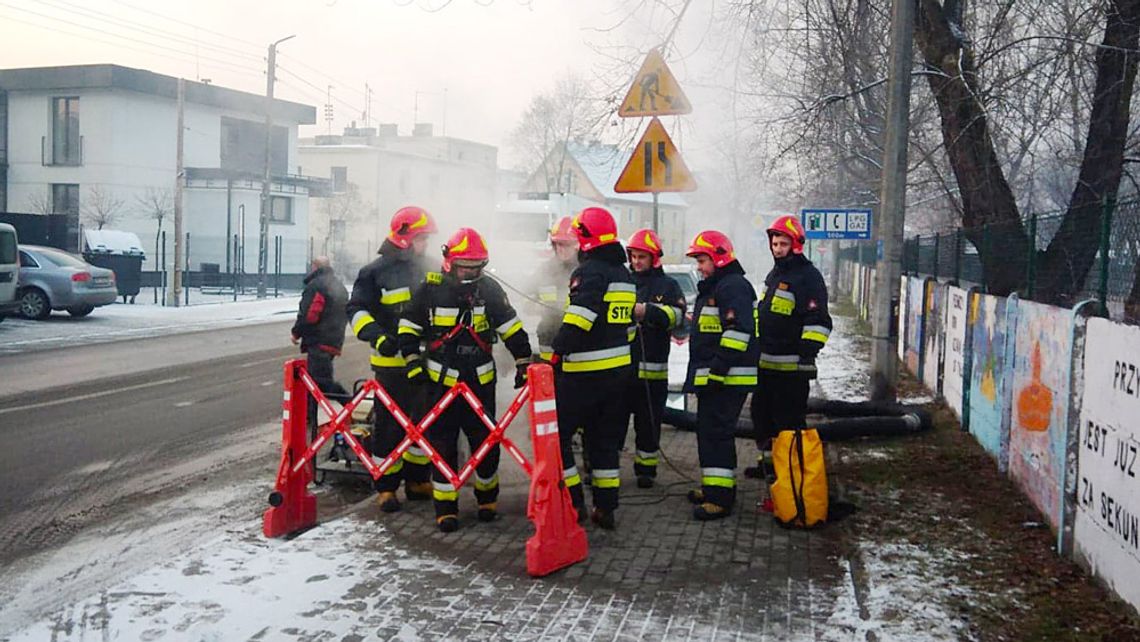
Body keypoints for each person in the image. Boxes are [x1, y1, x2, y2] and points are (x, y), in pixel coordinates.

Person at [397, 228, 533, 533]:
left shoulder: (491, 290)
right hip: (440, 383)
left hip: (480, 381)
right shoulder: (430, 289)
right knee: (442, 444)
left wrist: (523, 359)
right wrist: (412, 362)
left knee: (486, 443)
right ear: (449, 262)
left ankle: (487, 499)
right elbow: (408, 326)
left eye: (476, 268)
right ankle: (446, 509)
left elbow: (510, 327)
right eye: (464, 267)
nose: (470, 274)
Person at [346, 206, 437, 512]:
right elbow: (356, 311)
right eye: (422, 238)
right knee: (389, 426)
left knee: (423, 423)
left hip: (424, 362)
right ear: (404, 238)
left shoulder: (431, 267)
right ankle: (386, 486)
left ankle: (417, 480)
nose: (426, 244)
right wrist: (378, 337)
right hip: (390, 365)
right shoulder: (374, 272)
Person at [551, 207, 635, 530]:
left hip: (583, 376)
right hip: (617, 377)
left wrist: (556, 353)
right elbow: (625, 327)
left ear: (586, 238)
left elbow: (579, 320)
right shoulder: (625, 275)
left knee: (559, 437)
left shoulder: (588, 273)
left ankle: (574, 502)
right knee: (603, 442)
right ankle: (606, 508)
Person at [746, 215, 832, 479]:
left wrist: (806, 354)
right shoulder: (774, 275)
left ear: (796, 245)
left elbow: (819, 321)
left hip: (791, 369)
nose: (778, 249)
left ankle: (791, 475)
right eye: (775, 244)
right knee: (762, 418)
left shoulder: (808, 277)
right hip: (766, 365)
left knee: (789, 423)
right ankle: (769, 465)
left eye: (783, 244)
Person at [683, 230, 759, 521]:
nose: (699, 267)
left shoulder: (732, 287)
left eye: (702, 260)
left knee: (718, 435)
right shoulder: (719, 286)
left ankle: (721, 499)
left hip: (727, 378)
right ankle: (713, 487)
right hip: (718, 377)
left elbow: (738, 333)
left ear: (719, 257)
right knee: (709, 433)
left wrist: (717, 370)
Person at [622, 228, 686, 488]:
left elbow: (679, 318)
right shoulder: (623, 282)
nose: (637, 262)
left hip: (653, 373)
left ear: (654, 258)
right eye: (634, 256)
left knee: (648, 425)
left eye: (642, 257)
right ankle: (605, 469)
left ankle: (646, 469)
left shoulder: (668, 286)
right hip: (622, 370)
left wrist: (647, 311)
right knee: (614, 423)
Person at [291, 255, 349, 398]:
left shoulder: (316, 286)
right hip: (334, 339)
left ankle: (350, 403)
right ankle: (310, 418)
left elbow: (310, 315)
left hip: (319, 340)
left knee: (319, 383)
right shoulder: (338, 285)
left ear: (314, 267)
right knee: (315, 383)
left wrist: (296, 332)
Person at [533, 216, 579, 362]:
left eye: (566, 245)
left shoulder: (586, 272)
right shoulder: (545, 269)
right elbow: (527, 292)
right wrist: (533, 305)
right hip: (548, 339)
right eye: (557, 244)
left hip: (575, 343)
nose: (561, 249)